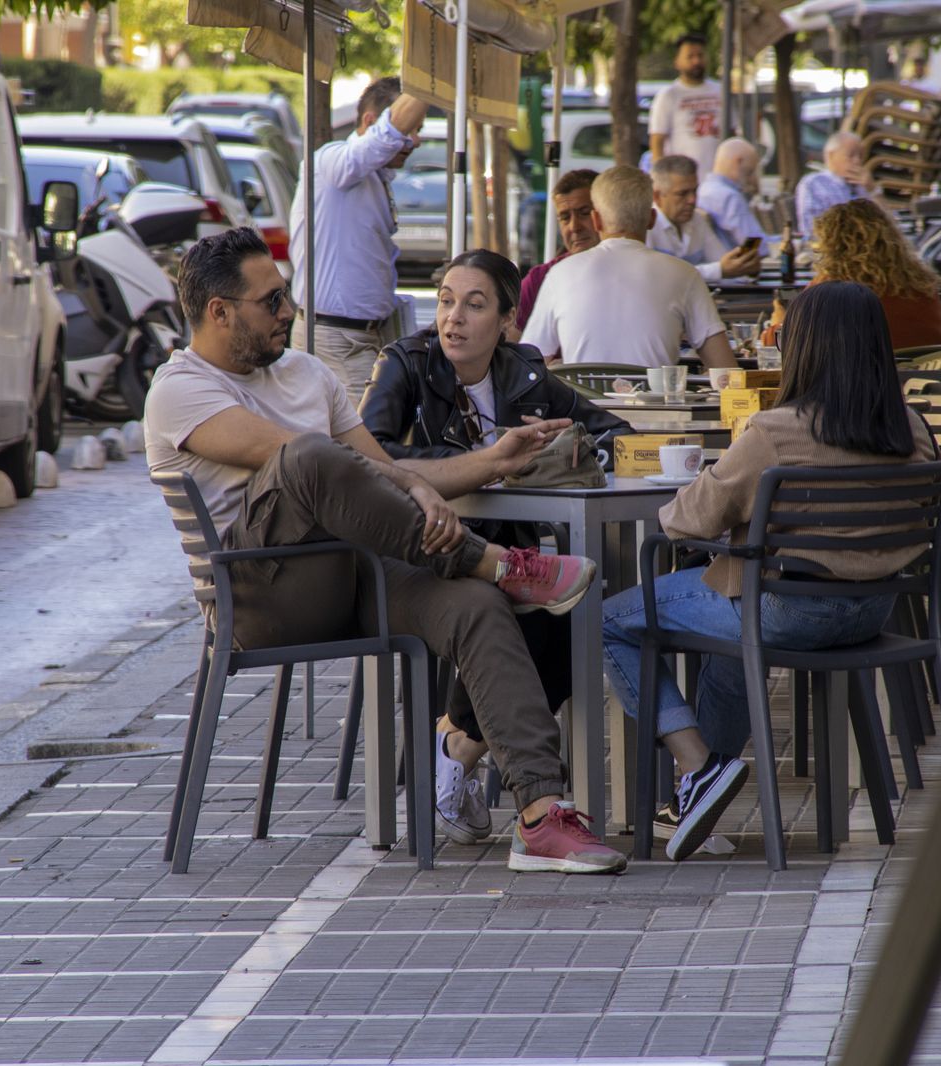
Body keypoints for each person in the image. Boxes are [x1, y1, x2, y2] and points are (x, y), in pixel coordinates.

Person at [145, 228, 627, 875]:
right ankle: (497, 561)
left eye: (286, 296)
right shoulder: (179, 388)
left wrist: (485, 462)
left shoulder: (309, 373)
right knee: (307, 454)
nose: (289, 311)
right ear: (219, 312)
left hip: (357, 575)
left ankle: (541, 814)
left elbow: (381, 467)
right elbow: (305, 460)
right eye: (273, 301)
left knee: (477, 607)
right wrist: (408, 484)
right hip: (264, 597)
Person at [600, 281, 937, 861]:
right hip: (871, 612)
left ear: (804, 348)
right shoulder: (911, 428)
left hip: (786, 613)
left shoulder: (775, 431)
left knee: (607, 620)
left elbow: (686, 522)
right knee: (729, 635)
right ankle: (694, 799)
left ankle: (696, 762)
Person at [359, 249, 632, 845]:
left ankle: (456, 741)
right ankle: (462, 751)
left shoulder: (524, 372)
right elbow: (370, 457)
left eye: (474, 304)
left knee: (580, 613)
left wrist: (568, 456)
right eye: (446, 300)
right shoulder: (404, 362)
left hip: (514, 555)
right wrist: (481, 466)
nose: (453, 317)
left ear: (508, 320)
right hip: (427, 549)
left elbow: (612, 431)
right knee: (528, 608)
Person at [288, 77, 425, 402]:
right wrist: (427, 83)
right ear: (369, 122)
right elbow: (380, 141)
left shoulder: (371, 177)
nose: (416, 141)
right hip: (337, 339)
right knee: (368, 441)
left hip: (362, 336)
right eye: (411, 129)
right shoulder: (333, 161)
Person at [520, 165, 736, 370]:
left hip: (582, 408)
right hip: (658, 408)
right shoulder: (686, 274)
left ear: (597, 220)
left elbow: (527, 365)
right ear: (652, 219)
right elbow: (726, 371)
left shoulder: (558, 275)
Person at [810, 199, 941, 349]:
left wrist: (780, 318)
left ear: (832, 245)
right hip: (928, 368)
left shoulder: (829, 290)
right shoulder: (920, 283)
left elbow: (796, 341)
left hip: (865, 371)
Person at [513, 169, 600, 336]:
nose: (574, 227)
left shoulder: (632, 271)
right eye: (565, 217)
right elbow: (511, 340)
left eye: (584, 213)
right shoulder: (540, 278)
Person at [648, 155, 760, 283]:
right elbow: (659, 278)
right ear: (657, 196)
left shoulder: (697, 220)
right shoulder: (646, 226)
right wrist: (718, 270)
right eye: (682, 194)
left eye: (695, 191)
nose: (692, 200)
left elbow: (724, 264)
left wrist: (747, 269)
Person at [648, 34, 724, 176]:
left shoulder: (720, 91)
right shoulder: (668, 95)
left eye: (700, 55)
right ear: (677, 62)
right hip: (683, 179)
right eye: (690, 56)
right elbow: (657, 141)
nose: (696, 61)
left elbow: (732, 133)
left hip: (717, 177)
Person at [794, 131, 877, 239]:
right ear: (831, 155)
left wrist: (873, 190)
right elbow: (811, 229)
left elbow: (887, 224)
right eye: (851, 155)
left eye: (860, 156)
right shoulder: (814, 183)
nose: (857, 161)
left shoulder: (864, 185)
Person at [699, 138, 768, 249]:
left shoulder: (703, 189)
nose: (751, 179)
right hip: (737, 262)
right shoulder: (729, 196)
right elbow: (756, 246)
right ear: (738, 161)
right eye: (749, 172)